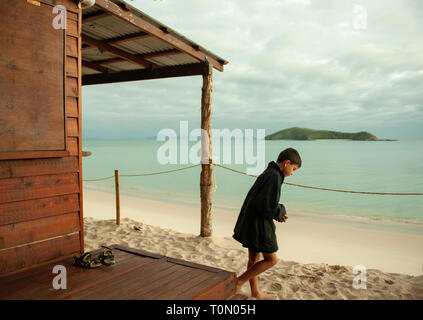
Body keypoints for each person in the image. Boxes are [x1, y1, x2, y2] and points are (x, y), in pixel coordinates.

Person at [233, 148, 302, 299]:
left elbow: (263, 201)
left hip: (251, 218)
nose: (292, 173)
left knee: (254, 258)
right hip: (258, 224)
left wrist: (278, 212)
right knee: (271, 260)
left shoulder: (270, 172)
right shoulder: (274, 176)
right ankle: (239, 282)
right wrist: (280, 211)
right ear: (286, 163)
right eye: (293, 169)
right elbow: (266, 206)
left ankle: (255, 292)